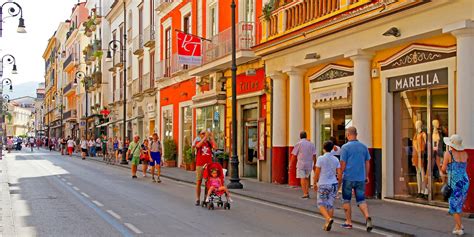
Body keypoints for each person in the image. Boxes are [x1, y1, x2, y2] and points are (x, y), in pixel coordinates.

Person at [340, 126, 373, 232]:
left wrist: (340, 176)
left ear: (348, 134)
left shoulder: (345, 147)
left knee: (346, 199)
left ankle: (348, 222)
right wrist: (366, 175)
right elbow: (367, 162)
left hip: (348, 177)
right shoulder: (364, 147)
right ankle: (367, 216)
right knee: (361, 200)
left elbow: (343, 164)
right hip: (360, 178)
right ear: (356, 134)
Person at [441, 134, 469, 236]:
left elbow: (443, 169)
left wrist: (443, 169)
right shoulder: (465, 153)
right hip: (465, 181)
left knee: (453, 205)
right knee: (459, 204)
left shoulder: (448, 154)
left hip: (455, 183)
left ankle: (459, 228)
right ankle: (458, 226)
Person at [314, 141, 342, 231]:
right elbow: (339, 173)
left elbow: (317, 172)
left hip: (323, 184)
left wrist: (315, 182)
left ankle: (328, 219)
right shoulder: (336, 159)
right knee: (330, 205)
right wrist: (339, 184)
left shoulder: (320, 158)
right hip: (333, 183)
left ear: (323, 148)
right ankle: (327, 224)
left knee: (320, 204)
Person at [291, 131, 317, 199]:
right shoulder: (311, 144)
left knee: (302, 178)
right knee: (306, 178)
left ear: (300, 136)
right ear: (306, 136)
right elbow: (314, 155)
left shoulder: (298, 144)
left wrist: (290, 163)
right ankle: (307, 192)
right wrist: (314, 163)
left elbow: (294, 155)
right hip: (309, 163)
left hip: (301, 164)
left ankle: (305, 193)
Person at [195, 130, 217, 206]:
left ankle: (206, 198)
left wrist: (211, 137)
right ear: (199, 135)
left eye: (205, 133)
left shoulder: (208, 143)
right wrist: (205, 137)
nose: (204, 135)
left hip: (208, 165)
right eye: (202, 134)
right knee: (199, 182)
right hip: (200, 165)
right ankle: (197, 199)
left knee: (208, 182)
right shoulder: (197, 142)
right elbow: (198, 146)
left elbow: (215, 147)